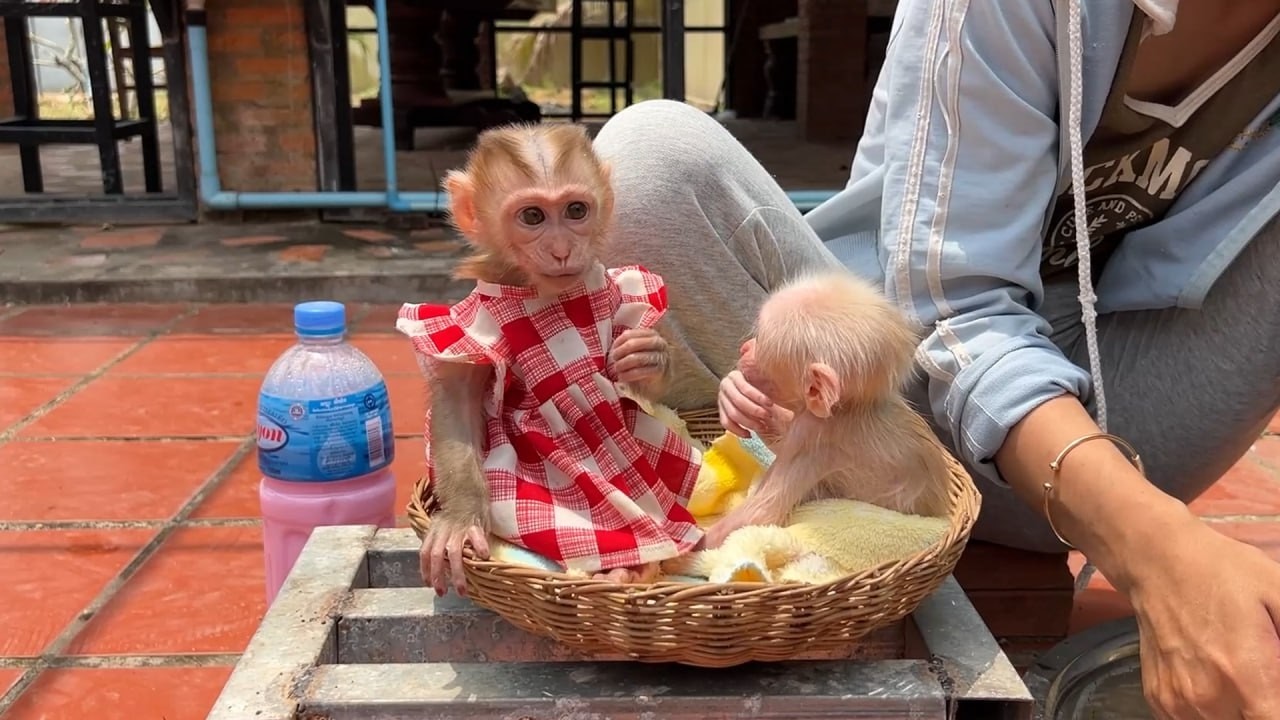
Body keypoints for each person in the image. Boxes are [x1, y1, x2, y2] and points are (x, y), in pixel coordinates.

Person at [590, 0, 1280, 717]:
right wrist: (1153, 545)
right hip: (901, 392)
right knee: (647, 162)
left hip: (1117, 430)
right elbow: (958, 315)